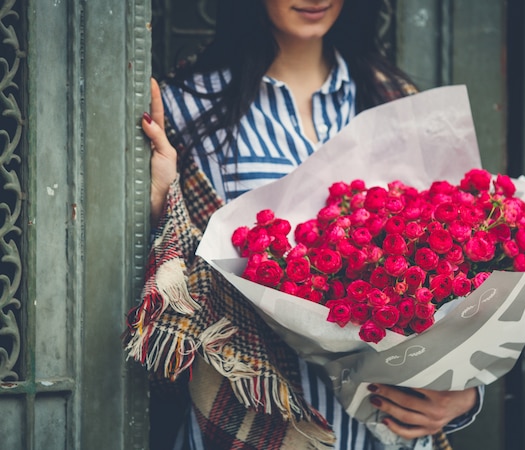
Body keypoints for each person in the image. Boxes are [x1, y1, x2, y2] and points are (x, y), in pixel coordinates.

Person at [124, 1, 483, 449]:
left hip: (385, 429)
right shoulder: (187, 108)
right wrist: (161, 204)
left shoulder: (395, 99)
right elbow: (176, 291)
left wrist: (463, 393)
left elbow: (453, 266)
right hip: (254, 423)